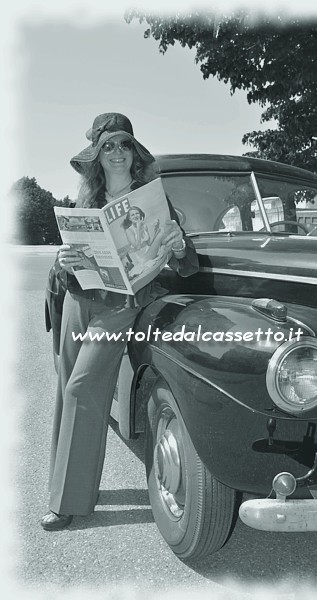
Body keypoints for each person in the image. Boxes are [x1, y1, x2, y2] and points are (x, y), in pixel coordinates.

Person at [41, 112, 199, 531]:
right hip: (79, 301)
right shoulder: (87, 204)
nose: (115, 153)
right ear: (96, 155)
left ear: (133, 152)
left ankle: (69, 503)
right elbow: (69, 270)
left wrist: (179, 245)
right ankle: (61, 484)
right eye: (107, 146)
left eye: (123, 145)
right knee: (64, 384)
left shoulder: (152, 199)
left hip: (120, 308)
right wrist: (63, 261)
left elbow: (186, 265)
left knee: (82, 388)